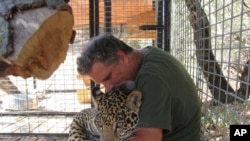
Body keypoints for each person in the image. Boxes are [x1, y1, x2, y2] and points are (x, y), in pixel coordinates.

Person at [77, 34, 201, 141]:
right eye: (102, 83)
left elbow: (147, 139)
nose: (109, 88)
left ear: (121, 57)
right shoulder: (149, 55)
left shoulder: (151, 78)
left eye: (108, 77)